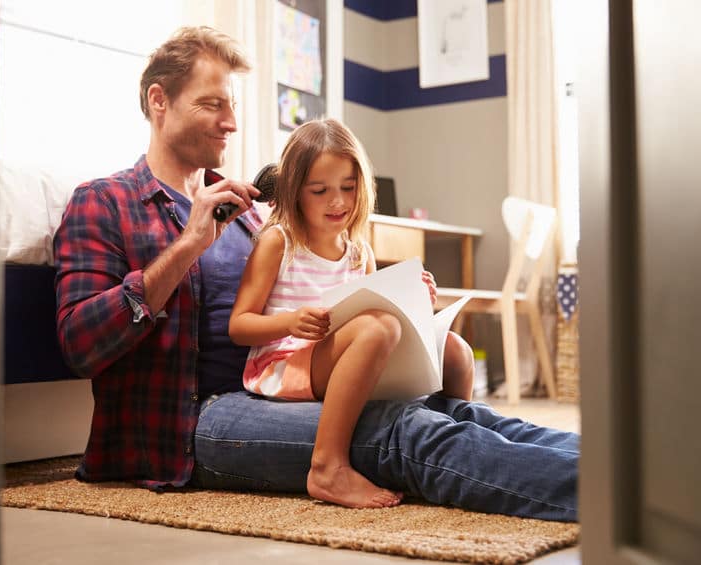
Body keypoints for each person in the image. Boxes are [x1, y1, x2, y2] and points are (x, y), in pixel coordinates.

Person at [54, 25, 580, 521]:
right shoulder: (105, 202)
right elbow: (81, 345)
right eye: (212, 104)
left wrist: (400, 299)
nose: (231, 124)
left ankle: (628, 463)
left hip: (283, 389)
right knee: (403, 430)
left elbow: (327, 294)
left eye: (232, 107)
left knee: (459, 414)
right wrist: (188, 244)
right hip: (192, 422)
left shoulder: (252, 214)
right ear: (158, 102)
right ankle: (610, 494)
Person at [228, 118, 475, 509]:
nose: (338, 201)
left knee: (456, 351)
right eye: (320, 190)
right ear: (295, 191)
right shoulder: (279, 242)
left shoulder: (360, 252)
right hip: (284, 365)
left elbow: (380, 312)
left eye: (348, 187)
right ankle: (327, 466)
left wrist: (414, 298)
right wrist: (289, 322)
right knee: (377, 329)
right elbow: (239, 326)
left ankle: (452, 442)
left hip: (345, 357)